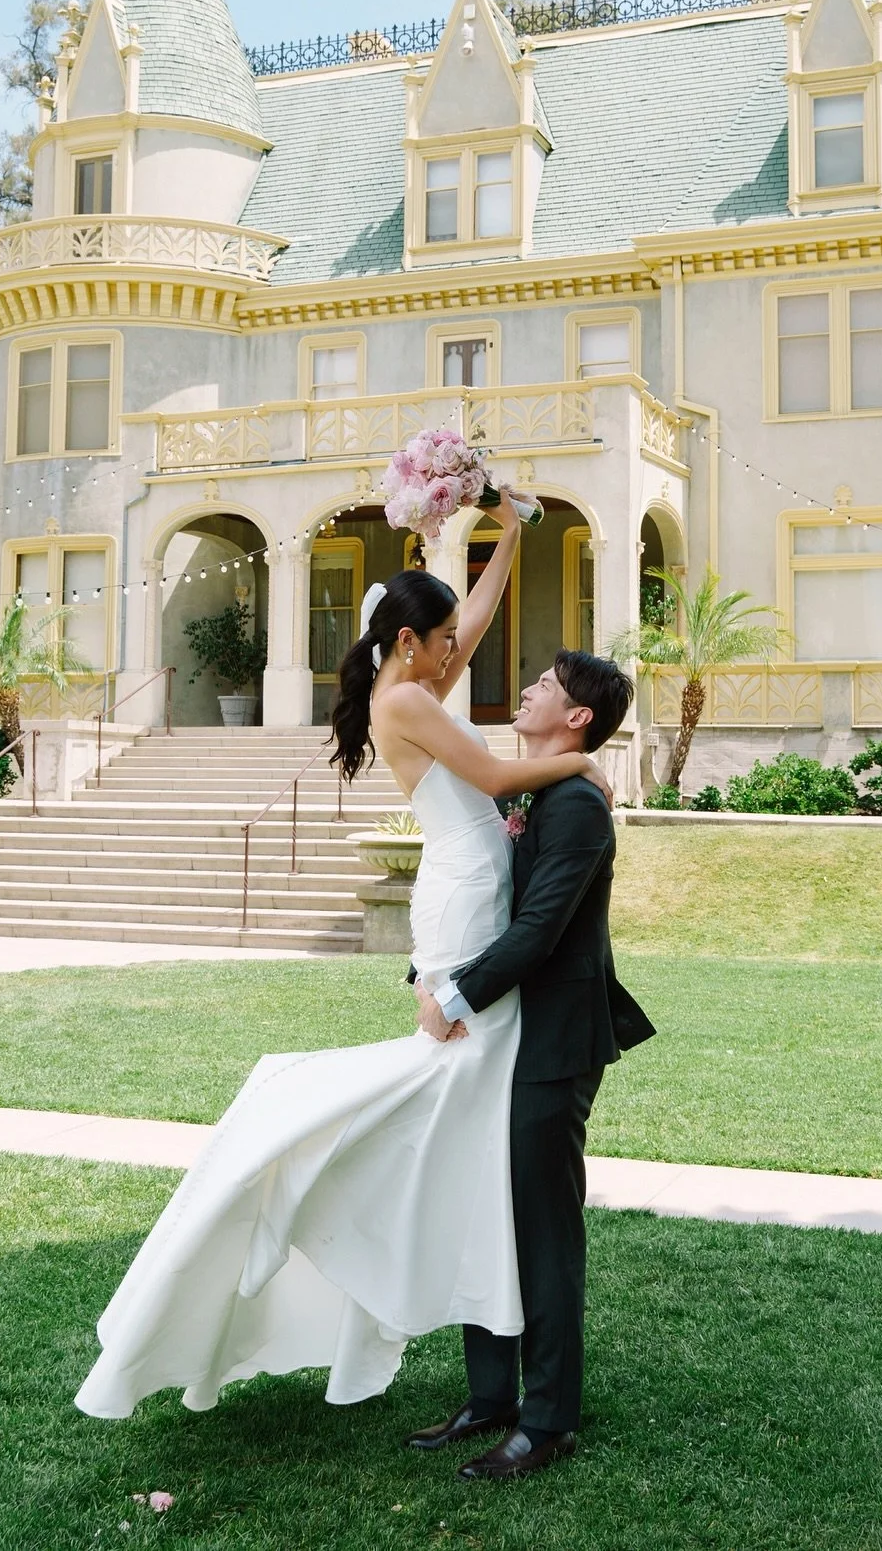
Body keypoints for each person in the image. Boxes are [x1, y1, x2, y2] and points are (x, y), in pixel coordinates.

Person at [74, 489, 619, 1423]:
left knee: (465, 1117)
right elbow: (492, 777)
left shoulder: (410, 682)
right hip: (463, 895)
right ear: (411, 644)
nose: (463, 649)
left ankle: (488, 1354)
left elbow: (476, 617)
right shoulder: (408, 698)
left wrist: (512, 534)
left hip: (471, 889)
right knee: (454, 1095)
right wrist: (583, 760)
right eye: (444, 638)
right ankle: (362, 1201)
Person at [405, 647, 654, 1479]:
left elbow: (539, 929)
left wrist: (457, 996)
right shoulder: (533, 791)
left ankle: (547, 1419)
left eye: (546, 685)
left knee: (544, 1232)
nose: (530, 688)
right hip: (503, 1032)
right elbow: (484, 896)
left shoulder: (579, 804)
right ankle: (491, 1396)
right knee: (484, 1208)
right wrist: (431, 972)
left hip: (554, 1039)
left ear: (578, 717)